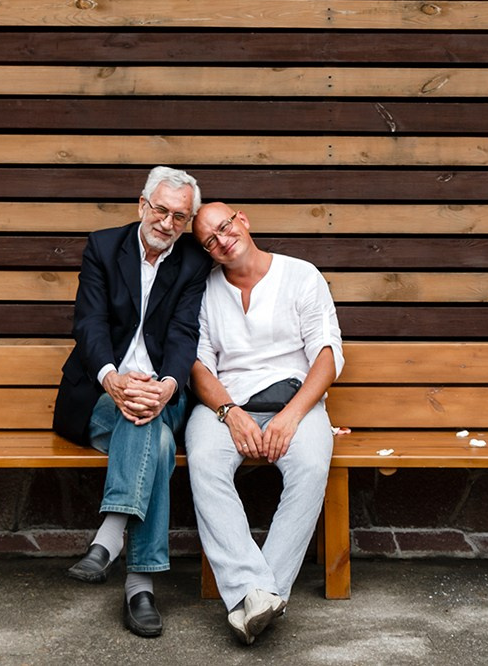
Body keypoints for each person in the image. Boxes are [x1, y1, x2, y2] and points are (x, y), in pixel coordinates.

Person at [52, 165, 214, 638]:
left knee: (148, 419)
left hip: (165, 393)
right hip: (103, 394)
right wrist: (112, 380)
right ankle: (140, 587)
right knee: (156, 441)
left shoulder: (190, 263)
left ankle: (107, 539)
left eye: (180, 217)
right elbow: (90, 324)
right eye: (161, 210)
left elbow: (185, 333)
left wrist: (166, 385)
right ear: (142, 205)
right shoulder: (104, 247)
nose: (168, 223)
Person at [186, 202, 344, 646]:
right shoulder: (203, 291)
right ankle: (259, 594)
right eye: (209, 240)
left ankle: (255, 598)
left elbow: (328, 355)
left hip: (295, 402)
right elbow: (198, 365)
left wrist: (292, 415)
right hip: (226, 406)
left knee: (312, 466)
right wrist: (229, 413)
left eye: (225, 227)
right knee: (204, 460)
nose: (222, 240)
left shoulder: (301, 275)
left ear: (243, 220)